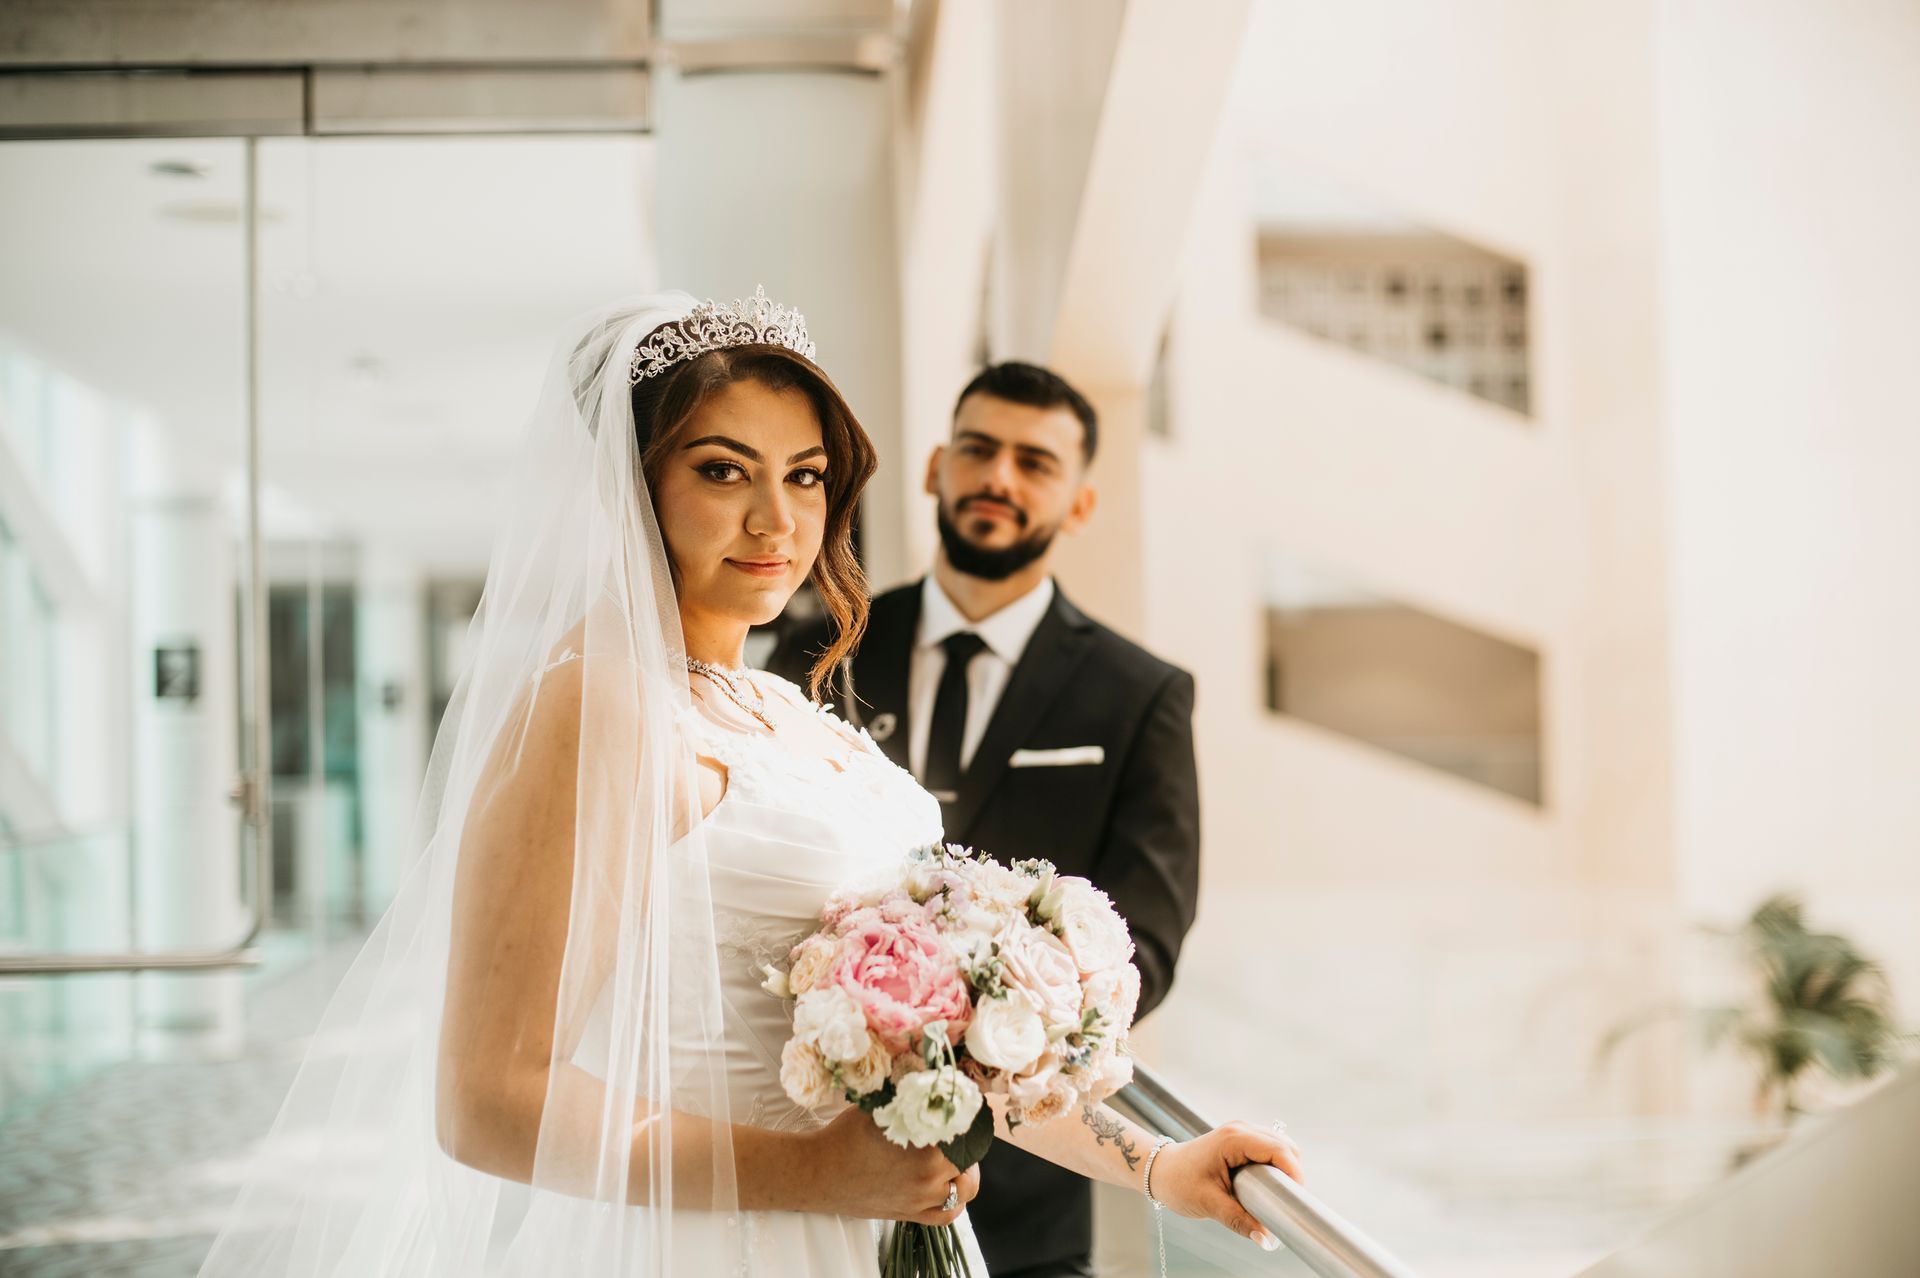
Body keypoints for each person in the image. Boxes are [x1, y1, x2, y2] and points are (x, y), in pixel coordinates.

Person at [199, 292, 1296, 1277]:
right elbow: (488, 1103)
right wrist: (815, 1178)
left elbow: (948, 1047)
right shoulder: (602, 704)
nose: (777, 522)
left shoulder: (773, 701)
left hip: (868, 1235)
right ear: (632, 486)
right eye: (723, 471)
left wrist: (1162, 1165)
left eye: (804, 476)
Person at [770, 361, 1203, 1277]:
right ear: (934, 467)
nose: (999, 478)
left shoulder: (1139, 696)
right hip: (807, 1147)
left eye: (1035, 463)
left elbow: (1144, 945)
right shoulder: (818, 651)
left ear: (1079, 504)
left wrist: (975, 1051)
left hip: (1031, 1199)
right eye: (979, 450)